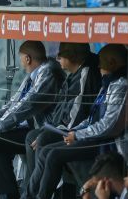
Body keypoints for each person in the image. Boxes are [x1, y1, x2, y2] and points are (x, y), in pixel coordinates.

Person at [0, 41, 66, 199]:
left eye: (21, 59)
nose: (20, 63)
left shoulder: (48, 73)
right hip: (27, 127)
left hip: (39, 132)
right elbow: (14, 104)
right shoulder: (34, 74)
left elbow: (26, 106)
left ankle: (5, 194)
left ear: (27, 58)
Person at [23, 44, 128, 199]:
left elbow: (108, 125)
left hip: (104, 142)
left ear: (112, 63)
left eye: (102, 62)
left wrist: (78, 135)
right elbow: (91, 117)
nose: (98, 66)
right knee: (45, 151)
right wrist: (73, 132)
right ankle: (28, 196)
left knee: (53, 154)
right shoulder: (108, 84)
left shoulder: (121, 86)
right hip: (89, 135)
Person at [24, 43, 101, 185]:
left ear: (72, 57)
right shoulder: (73, 74)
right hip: (61, 125)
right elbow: (61, 106)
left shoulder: (86, 73)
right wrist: (47, 128)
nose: (57, 59)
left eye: (61, 56)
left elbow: (78, 113)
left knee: (43, 139)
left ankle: (36, 191)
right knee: (31, 137)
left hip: (74, 130)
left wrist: (53, 130)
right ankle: (31, 186)